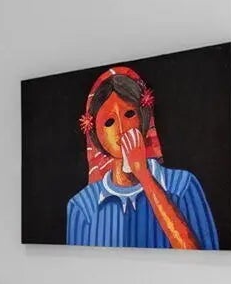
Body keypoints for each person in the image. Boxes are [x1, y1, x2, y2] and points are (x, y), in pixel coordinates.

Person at [64, 66, 220, 249]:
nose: (121, 129)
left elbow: (202, 256)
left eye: (129, 114)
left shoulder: (182, 186)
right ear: (95, 135)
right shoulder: (82, 206)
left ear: (144, 118)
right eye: (109, 122)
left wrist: (144, 175)